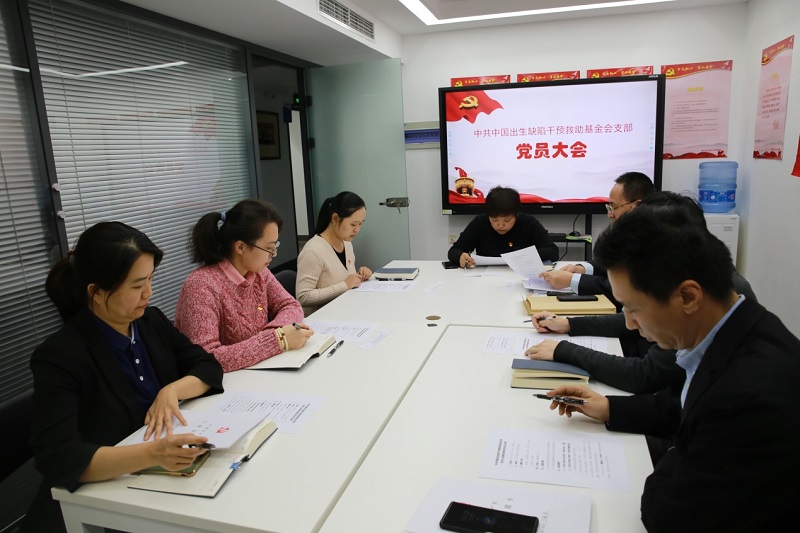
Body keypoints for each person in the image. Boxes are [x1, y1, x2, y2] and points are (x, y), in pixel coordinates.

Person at [539, 204, 800, 532]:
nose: (629, 324)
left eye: (633, 308)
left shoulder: (747, 396)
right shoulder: (743, 325)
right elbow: (689, 406)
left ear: (688, 297)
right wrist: (609, 407)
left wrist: (677, 449)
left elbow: (667, 514)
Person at [24, 222, 224, 533]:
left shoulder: (150, 322)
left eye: (150, 280)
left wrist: (171, 390)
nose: (149, 293)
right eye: (136, 285)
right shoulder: (60, 356)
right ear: (96, 292)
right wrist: (152, 454)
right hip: (100, 504)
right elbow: (58, 457)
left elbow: (207, 365)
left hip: (160, 484)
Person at [525, 192, 757, 394]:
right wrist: (569, 324)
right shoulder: (695, 283)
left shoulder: (708, 301)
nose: (630, 322)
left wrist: (566, 350)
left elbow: (647, 375)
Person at [174, 199, 311, 372]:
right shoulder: (201, 286)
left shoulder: (259, 272)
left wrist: (274, 333)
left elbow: (290, 305)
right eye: (269, 248)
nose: (274, 254)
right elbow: (206, 358)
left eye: (275, 245)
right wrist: (277, 339)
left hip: (253, 371)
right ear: (240, 247)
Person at [540, 171, 654, 296]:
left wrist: (572, 280)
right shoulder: (632, 232)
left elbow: (626, 289)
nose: (609, 214)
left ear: (636, 205)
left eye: (614, 207)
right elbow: (612, 264)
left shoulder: (656, 240)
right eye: (608, 208)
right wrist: (581, 269)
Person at [296, 191, 372, 314]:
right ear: (335, 218)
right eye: (353, 224)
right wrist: (345, 285)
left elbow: (345, 279)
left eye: (360, 224)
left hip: (345, 310)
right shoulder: (313, 250)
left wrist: (360, 276)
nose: (357, 229)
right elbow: (303, 297)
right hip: (322, 318)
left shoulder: (346, 243)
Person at [447, 186, 558, 268]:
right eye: (494, 220)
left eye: (507, 220)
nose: (500, 225)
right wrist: (460, 256)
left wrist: (524, 256)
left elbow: (552, 251)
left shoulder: (528, 222)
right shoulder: (480, 222)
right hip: (485, 276)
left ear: (516, 214)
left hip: (521, 274)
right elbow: (454, 250)